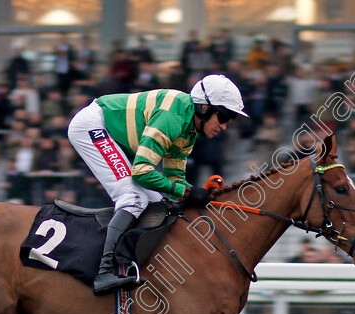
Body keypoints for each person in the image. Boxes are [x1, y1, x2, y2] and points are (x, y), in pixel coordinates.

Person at [68, 74, 247, 295]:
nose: (224, 126)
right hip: (92, 126)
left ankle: (133, 265)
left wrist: (197, 194)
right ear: (203, 108)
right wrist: (188, 192)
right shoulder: (171, 117)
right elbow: (142, 172)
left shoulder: (188, 129)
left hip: (114, 136)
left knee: (159, 203)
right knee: (134, 198)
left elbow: (174, 182)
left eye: (229, 120)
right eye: (223, 116)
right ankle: (103, 271)